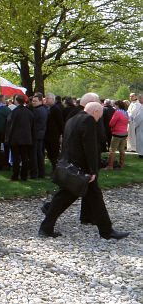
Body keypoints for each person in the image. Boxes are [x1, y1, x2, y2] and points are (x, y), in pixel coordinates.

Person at [39, 102, 129, 240]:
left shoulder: (72, 119)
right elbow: (90, 147)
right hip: (82, 169)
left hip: (71, 167)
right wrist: (93, 170)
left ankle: (46, 226)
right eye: (100, 115)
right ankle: (106, 231)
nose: (99, 119)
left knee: (65, 197)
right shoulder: (88, 120)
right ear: (95, 112)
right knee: (83, 197)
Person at [5, 95, 34, 181]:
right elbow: (32, 125)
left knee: (16, 158)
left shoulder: (14, 112)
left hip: (15, 139)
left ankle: (15, 175)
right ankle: (24, 176)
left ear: (16, 101)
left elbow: (10, 126)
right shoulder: (29, 112)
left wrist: (8, 138)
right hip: (26, 138)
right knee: (25, 158)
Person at [107, 100, 129, 170]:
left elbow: (111, 123)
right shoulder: (126, 112)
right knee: (122, 150)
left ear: (118, 105)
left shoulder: (117, 112)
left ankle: (110, 166)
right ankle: (121, 165)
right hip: (124, 133)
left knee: (112, 150)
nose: (114, 106)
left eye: (115, 105)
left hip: (117, 133)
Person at [31, 93, 49, 179]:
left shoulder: (37, 110)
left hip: (35, 134)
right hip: (41, 134)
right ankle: (41, 173)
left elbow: (33, 123)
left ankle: (34, 173)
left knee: (34, 154)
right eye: (33, 101)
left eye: (35, 101)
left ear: (41, 101)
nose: (33, 102)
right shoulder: (44, 109)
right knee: (39, 154)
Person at [44, 94, 64, 170]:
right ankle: (54, 168)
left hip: (54, 135)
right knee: (50, 153)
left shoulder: (56, 109)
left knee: (54, 153)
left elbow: (60, 122)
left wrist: (61, 134)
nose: (46, 100)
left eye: (47, 98)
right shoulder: (49, 108)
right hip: (49, 135)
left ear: (52, 99)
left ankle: (56, 170)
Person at [134, 94, 143, 159]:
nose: (139, 100)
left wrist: (134, 123)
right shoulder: (141, 106)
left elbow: (140, 116)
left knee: (141, 139)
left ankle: (141, 153)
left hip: (141, 125)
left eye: (140, 98)